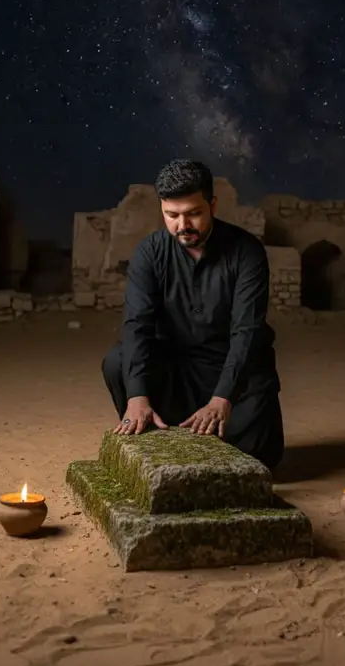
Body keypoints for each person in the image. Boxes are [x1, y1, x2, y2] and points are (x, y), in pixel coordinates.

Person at [101, 159, 284, 470]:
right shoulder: (149, 253)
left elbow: (247, 332)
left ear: (212, 205)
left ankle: (226, 429)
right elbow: (137, 326)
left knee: (257, 461)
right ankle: (159, 443)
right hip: (177, 370)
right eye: (171, 215)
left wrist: (222, 399)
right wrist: (137, 397)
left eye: (193, 213)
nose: (182, 225)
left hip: (232, 372)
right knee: (118, 362)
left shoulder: (247, 251)